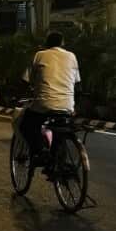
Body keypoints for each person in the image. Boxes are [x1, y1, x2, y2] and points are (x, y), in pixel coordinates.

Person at [14, 31, 81, 165]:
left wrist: (18, 96)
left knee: (25, 125)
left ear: (46, 43)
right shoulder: (72, 56)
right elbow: (77, 82)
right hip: (67, 105)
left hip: (44, 104)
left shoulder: (40, 55)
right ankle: (57, 162)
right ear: (62, 43)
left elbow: (26, 80)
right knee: (61, 127)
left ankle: (41, 152)